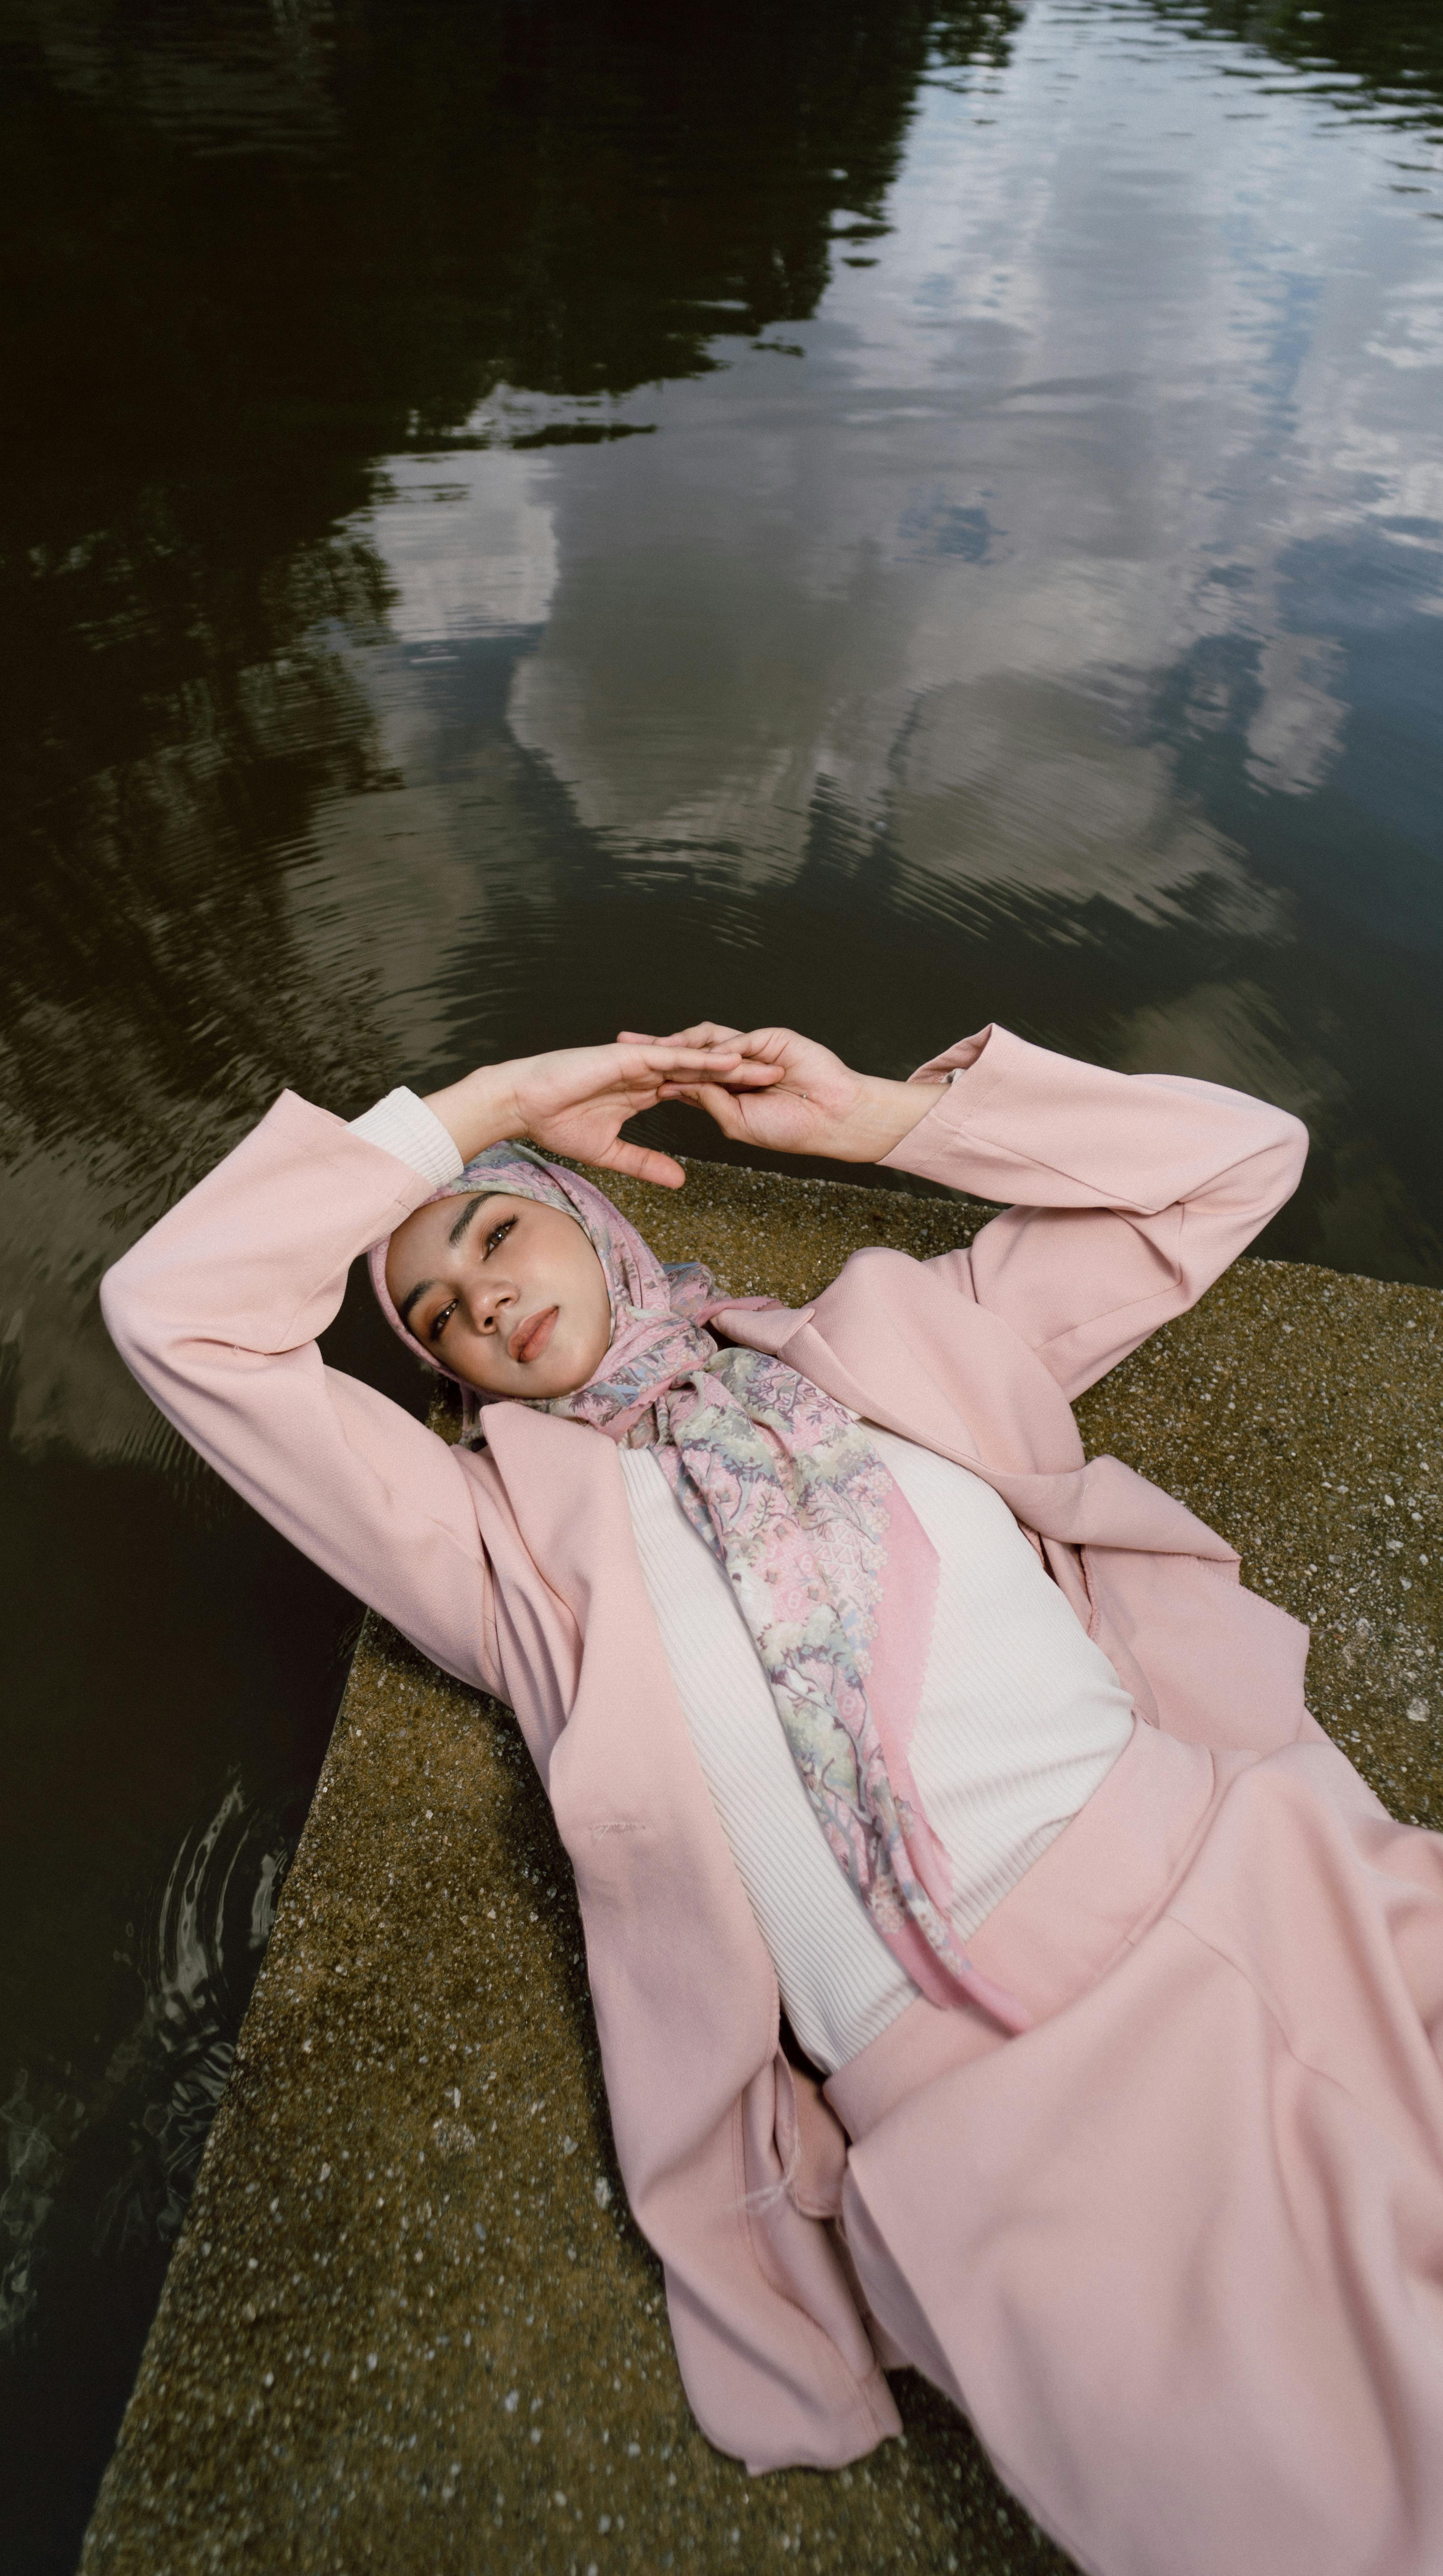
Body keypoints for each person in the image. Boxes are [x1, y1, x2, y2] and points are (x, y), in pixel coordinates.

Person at [101, 1020, 1443, 2576]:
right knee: (1303, 2512)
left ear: (600, 1223)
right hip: (987, 2110)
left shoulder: (895, 1340)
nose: (481, 1296)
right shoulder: (498, 1554)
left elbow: (1232, 1163)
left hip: (1254, 1880)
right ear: (447, 1377)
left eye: (498, 1227)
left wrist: (882, 1123)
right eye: (436, 1313)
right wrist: (492, 1105)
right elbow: (176, 1314)